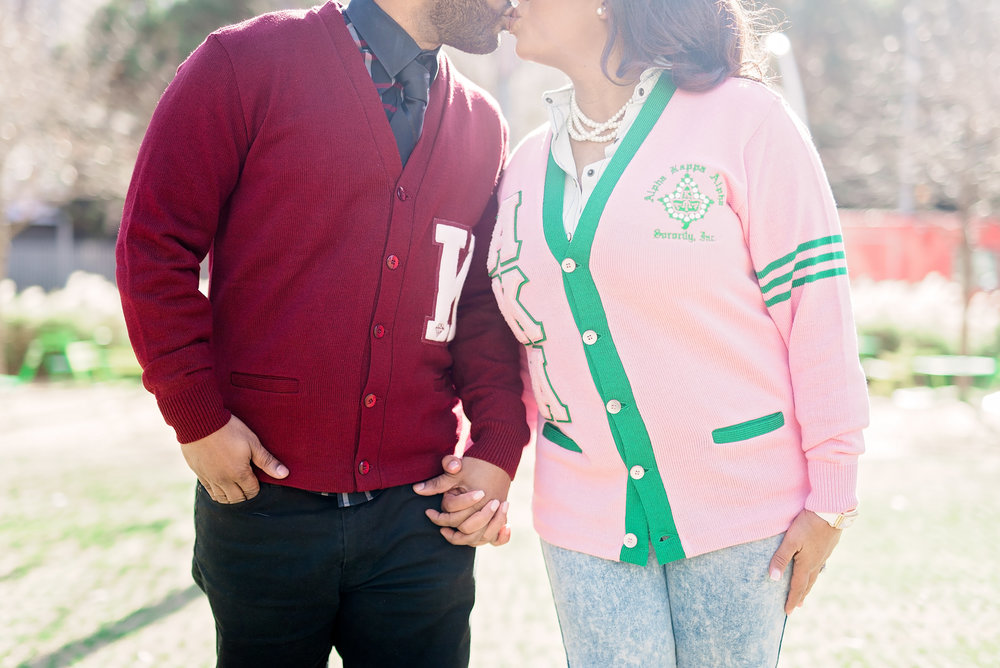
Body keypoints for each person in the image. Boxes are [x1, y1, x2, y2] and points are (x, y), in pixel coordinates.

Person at [115, 0, 530, 665]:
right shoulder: (243, 65)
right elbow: (152, 246)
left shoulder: (483, 125)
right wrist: (196, 416)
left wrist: (499, 441)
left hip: (421, 521)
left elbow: (477, 304)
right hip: (263, 505)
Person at [487, 0, 870, 665]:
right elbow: (528, 351)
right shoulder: (522, 167)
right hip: (584, 519)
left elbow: (818, 312)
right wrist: (490, 463)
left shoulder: (746, 122)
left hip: (742, 509)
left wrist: (834, 493)